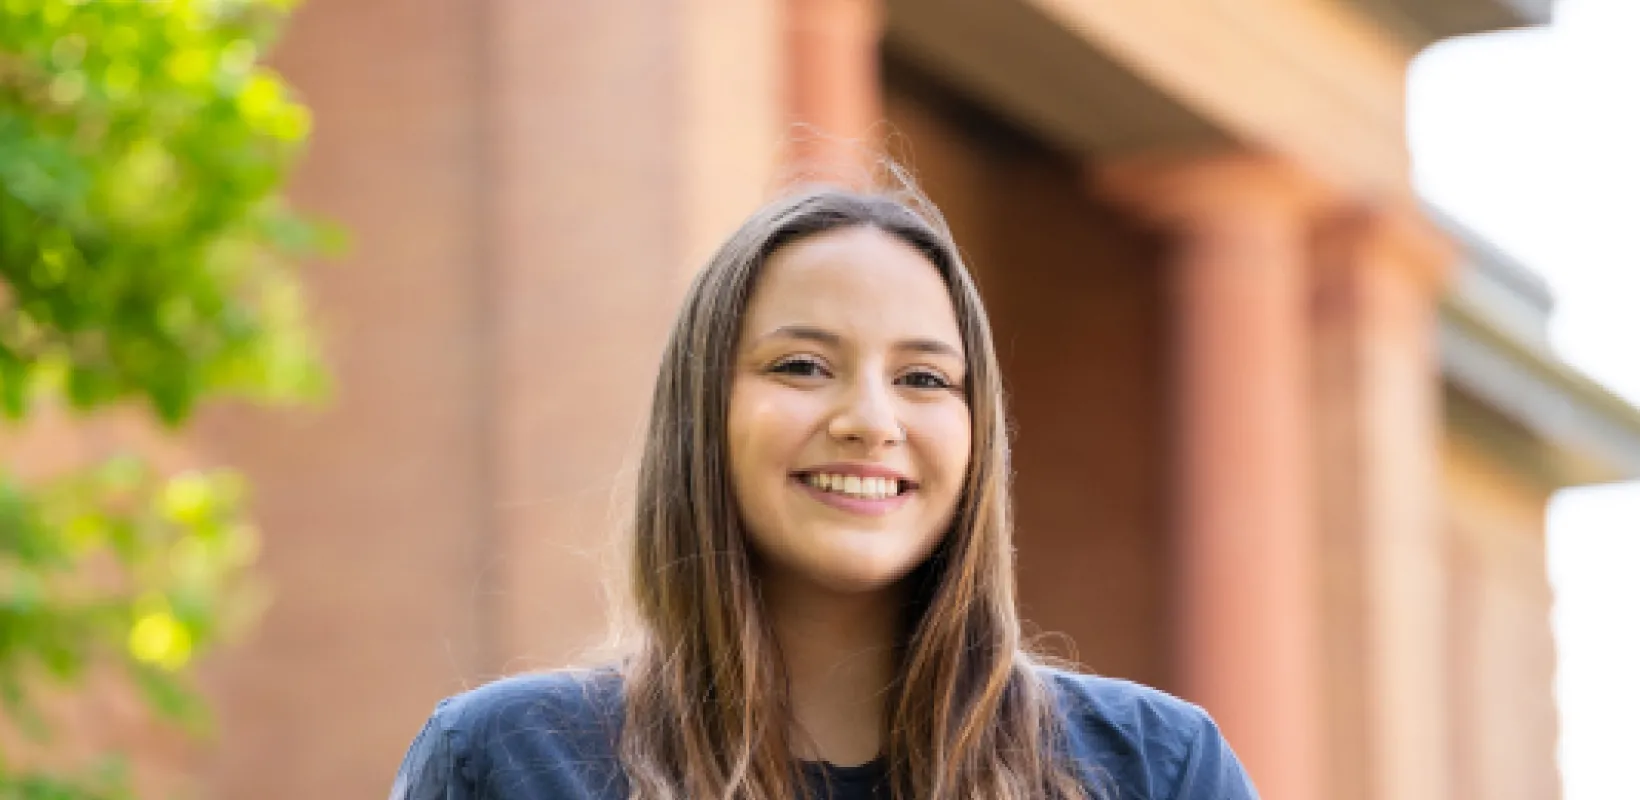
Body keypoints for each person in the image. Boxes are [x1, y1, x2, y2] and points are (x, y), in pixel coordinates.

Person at [389, 182, 1259, 800]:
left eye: (923, 378)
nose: (870, 419)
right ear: (702, 414)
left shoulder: (1156, 769)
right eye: (801, 366)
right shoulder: (505, 762)